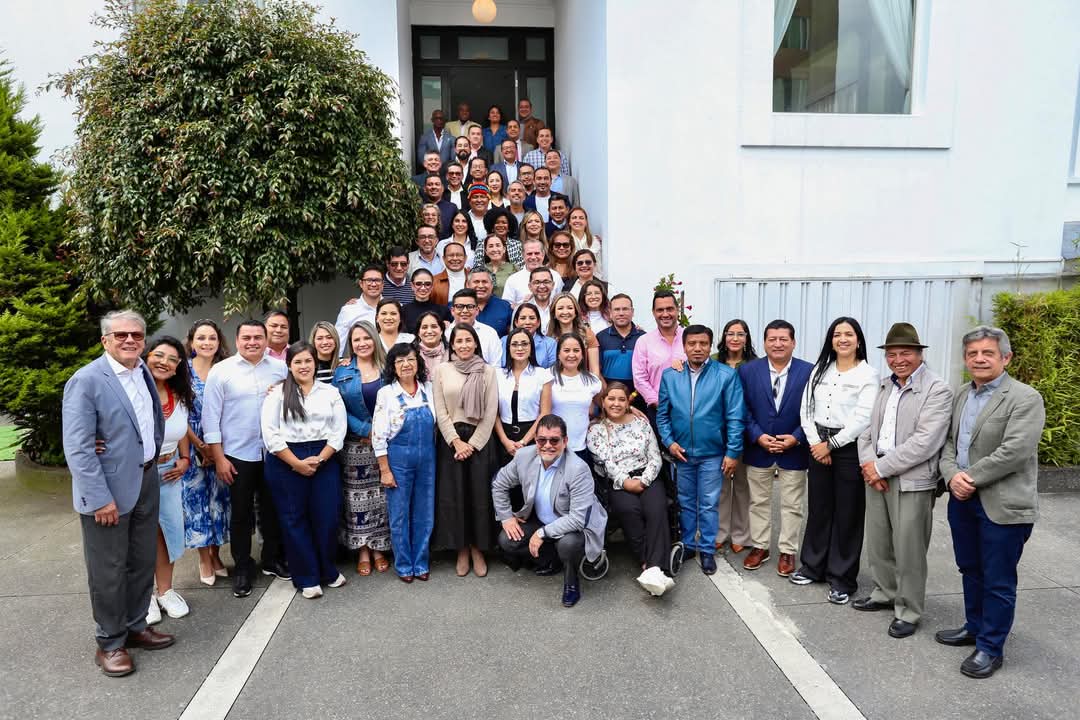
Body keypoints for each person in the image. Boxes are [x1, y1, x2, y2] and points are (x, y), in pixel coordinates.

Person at [63, 310, 172, 677]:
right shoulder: (87, 380)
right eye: (121, 335)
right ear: (105, 340)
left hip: (145, 480)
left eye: (137, 335)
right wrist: (98, 498)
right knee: (108, 570)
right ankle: (109, 642)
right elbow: (78, 447)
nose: (130, 340)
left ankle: (136, 626)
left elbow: (149, 422)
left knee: (141, 561)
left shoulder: (142, 370)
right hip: (107, 492)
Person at [935, 326, 1045, 678]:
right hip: (962, 499)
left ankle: (990, 647)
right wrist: (952, 475)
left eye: (987, 353)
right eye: (972, 354)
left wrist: (969, 478)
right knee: (970, 568)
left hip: (1003, 503)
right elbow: (949, 444)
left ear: (1006, 358)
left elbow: (1015, 451)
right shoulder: (962, 396)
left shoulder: (1025, 398)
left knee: (998, 579)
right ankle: (975, 627)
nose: (979, 359)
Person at [854, 323, 952, 639]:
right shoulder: (885, 386)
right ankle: (884, 592)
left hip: (912, 480)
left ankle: (909, 609)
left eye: (905, 353)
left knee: (909, 548)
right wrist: (869, 465)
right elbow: (867, 431)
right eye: (892, 354)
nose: (898, 359)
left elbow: (926, 441)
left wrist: (881, 469)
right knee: (879, 542)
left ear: (919, 354)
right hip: (877, 473)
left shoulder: (937, 389)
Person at [792, 317, 879, 604]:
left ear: (858, 340)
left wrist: (831, 445)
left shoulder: (868, 374)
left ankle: (842, 578)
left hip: (848, 448)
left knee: (848, 513)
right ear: (831, 339)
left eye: (849, 334)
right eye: (837, 334)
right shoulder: (820, 370)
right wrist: (816, 443)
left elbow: (862, 418)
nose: (843, 339)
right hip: (817, 443)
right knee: (819, 508)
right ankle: (813, 566)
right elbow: (806, 409)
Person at [204, 320, 290, 597]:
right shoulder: (221, 371)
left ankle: (272, 558)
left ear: (266, 340)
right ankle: (242, 566)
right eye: (247, 337)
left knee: (273, 509)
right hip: (237, 455)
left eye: (258, 337)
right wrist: (219, 458)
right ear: (237, 340)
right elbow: (210, 419)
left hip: (273, 452)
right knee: (240, 514)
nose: (252, 342)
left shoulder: (279, 368)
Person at [656, 325, 745, 575]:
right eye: (692, 343)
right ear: (684, 346)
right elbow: (663, 415)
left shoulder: (726, 375)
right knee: (685, 502)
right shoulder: (671, 375)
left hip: (712, 453)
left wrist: (732, 452)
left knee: (708, 503)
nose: (697, 348)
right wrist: (669, 442)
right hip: (681, 452)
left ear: (710, 346)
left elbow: (736, 417)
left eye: (703, 344)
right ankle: (688, 544)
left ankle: (707, 549)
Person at [493, 414, 608, 608]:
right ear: (536, 440)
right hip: (542, 520)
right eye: (541, 440)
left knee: (568, 545)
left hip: (575, 526)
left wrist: (541, 533)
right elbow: (499, 484)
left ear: (565, 441)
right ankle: (552, 560)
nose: (547, 445)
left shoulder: (578, 468)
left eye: (554, 440)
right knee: (507, 540)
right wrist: (506, 517)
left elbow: (578, 519)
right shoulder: (524, 456)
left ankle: (571, 583)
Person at [261, 341, 348, 599]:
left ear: (315, 363)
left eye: (308, 361)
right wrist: (297, 463)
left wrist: (320, 460)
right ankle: (306, 576)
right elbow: (271, 435)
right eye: (297, 361)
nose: (303, 366)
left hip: (324, 457)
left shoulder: (330, 392)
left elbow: (338, 430)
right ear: (289, 365)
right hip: (286, 459)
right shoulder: (277, 394)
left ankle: (326, 570)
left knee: (327, 517)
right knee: (294, 519)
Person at [738, 320, 813, 578]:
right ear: (765, 342)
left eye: (783, 339)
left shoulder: (809, 372)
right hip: (759, 448)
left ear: (793, 342)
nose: (778, 344)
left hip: (794, 449)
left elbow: (813, 412)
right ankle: (760, 546)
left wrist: (796, 437)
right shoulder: (748, 371)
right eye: (772, 339)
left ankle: (787, 550)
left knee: (792, 504)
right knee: (758, 501)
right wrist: (757, 436)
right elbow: (742, 408)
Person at [587, 382, 672, 597]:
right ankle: (646, 560)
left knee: (656, 508)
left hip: (647, 475)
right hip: (618, 480)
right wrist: (625, 481)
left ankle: (654, 567)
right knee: (629, 510)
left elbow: (655, 455)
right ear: (603, 402)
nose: (616, 403)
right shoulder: (596, 430)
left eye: (621, 399)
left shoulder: (641, 423)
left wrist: (644, 480)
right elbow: (605, 462)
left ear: (628, 403)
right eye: (611, 399)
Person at [433, 324, 500, 577]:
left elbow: (491, 410)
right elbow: (440, 411)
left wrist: (472, 444)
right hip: (451, 442)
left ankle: (477, 549)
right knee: (455, 498)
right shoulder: (441, 370)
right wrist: (455, 441)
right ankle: (460, 549)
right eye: (458, 341)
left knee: (479, 498)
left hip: (480, 441)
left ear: (475, 343)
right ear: (452, 345)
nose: (463, 345)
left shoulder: (488, 371)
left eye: (468, 340)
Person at [139, 338, 194, 624]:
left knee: (168, 533)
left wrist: (185, 459)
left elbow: (181, 430)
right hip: (139, 475)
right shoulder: (134, 393)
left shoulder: (178, 394)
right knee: (141, 536)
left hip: (170, 473)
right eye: (158, 355)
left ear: (177, 368)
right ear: (146, 357)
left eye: (172, 359)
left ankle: (166, 591)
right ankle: (144, 596)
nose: (164, 362)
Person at [373, 343, 437, 583]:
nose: (406, 364)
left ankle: (421, 562)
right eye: (400, 361)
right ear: (393, 367)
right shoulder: (386, 394)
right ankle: (403, 564)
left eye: (410, 359)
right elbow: (378, 435)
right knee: (399, 515)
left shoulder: (429, 390)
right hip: (398, 460)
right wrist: (385, 469)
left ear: (418, 363)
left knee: (424, 513)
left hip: (428, 461)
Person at [331, 321, 390, 575]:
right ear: (350, 344)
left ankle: (379, 547)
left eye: (367, 338)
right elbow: (338, 408)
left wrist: (380, 432)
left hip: (385, 444)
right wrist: (366, 431)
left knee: (381, 499)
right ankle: (362, 550)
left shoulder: (388, 366)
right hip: (355, 445)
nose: (362, 343)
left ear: (374, 339)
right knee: (356, 502)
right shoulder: (342, 372)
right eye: (357, 340)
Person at [183, 320, 231, 586]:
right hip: (191, 443)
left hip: (222, 444)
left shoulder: (224, 369)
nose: (207, 343)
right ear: (191, 342)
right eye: (201, 338)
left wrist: (215, 447)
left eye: (212, 338)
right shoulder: (183, 372)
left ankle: (216, 554)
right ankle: (203, 558)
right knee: (197, 503)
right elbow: (178, 412)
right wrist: (200, 445)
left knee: (220, 501)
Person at [714, 319, 756, 555]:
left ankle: (741, 534)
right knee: (720, 486)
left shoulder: (754, 365)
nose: (735, 338)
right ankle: (720, 532)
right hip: (716, 431)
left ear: (747, 338)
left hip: (744, 430)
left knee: (742, 485)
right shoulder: (713, 361)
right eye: (730, 333)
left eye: (740, 334)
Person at [493, 328, 553, 463]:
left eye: (525, 344)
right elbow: (494, 412)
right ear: (508, 348)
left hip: (532, 436)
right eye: (514, 344)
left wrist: (524, 442)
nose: (520, 348)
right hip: (503, 437)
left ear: (531, 347)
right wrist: (505, 441)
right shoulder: (498, 375)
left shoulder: (542, 375)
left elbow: (545, 413)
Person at [631, 291, 686, 430]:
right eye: (660, 310)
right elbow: (640, 379)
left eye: (670, 309)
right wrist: (659, 403)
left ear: (677, 310)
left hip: (690, 410)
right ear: (653, 312)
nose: (665, 314)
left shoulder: (691, 338)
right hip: (658, 411)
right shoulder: (644, 342)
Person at [549, 333, 604, 462]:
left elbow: (606, 406)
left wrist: (630, 409)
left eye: (576, 350)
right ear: (558, 354)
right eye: (566, 350)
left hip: (581, 447)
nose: (571, 355)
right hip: (551, 446)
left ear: (582, 354)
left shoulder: (592, 381)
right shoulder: (547, 377)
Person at [596, 294, 646, 412]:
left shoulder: (644, 338)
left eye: (625, 309)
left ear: (632, 311)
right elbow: (597, 371)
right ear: (610, 313)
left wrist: (633, 396)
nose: (621, 313)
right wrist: (610, 396)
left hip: (639, 399)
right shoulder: (600, 337)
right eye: (617, 309)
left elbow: (648, 372)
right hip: (610, 400)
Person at [444, 288, 503, 365]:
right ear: (452, 311)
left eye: (470, 306)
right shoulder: (445, 332)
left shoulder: (489, 333)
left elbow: (496, 366)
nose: (465, 311)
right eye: (459, 306)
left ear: (477, 310)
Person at [547, 292, 600, 375]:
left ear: (576, 312)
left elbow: (594, 369)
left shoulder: (587, 334)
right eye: (560, 308)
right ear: (554, 313)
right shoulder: (549, 337)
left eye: (570, 308)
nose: (565, 312)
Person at [334, 264, 383, 349]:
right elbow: (338, 341)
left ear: (383, 284)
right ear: (361, 283)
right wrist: (341, 359)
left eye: (378, 280)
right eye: (369, 280)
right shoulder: (349, 310)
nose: (374, 284)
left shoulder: (393, 307)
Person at [505, 302, 557, 369]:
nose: (527, 322)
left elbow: (553, 370)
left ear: (538, 322)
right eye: (523, 318)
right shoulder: (504, 341)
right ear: (516, 322)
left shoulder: (550, 343)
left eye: (532, 318)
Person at [501, 236, 547, 307]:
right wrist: (523, 304)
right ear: (523, 255)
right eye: (529, 254)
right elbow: (506, 307)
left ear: (543, 254)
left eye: (537, 253)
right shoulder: (513, 280)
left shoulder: (555, 276)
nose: (533, 257)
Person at [470, 268, 513, 336]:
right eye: (476, 282)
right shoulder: (458, 307)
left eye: (484, 282)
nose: (481, 286)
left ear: (492, 285)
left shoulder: (505, 307)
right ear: (467, 284)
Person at [431, 241, 470, 307]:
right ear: (444, 259)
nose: (455, 258)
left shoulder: (474, 278)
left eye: (459, 255)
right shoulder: (433, 281)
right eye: (451, 255)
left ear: (465, 258)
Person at [568, 206, 603, 278]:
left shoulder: (595, 241)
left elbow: (598, 266)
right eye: (574, 218)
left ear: (586, 222)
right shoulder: (564, 241)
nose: (577, 220)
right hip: (571, 279)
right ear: (569, 222)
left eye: (581, 218)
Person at [412, 310, 450, 376]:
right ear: (418, 333)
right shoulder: (410, 354)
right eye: (424, 327)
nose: (429, 331)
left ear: (441, 331)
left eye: (434, 326)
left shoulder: (452, 353)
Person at [463, 184, 491, 248]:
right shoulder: (464, 219)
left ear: (488, 200)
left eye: (482, 197)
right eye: (475, 197)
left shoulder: (494, 218)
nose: (479, 200)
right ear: (469, 200)